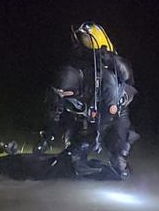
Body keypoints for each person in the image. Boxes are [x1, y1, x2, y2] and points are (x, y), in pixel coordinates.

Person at [36, 21, 138, 177]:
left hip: (112, 116)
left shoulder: (112, 70)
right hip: (86, 119)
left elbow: (127, 83)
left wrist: (110, 61)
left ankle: (119, 160)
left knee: (118, 145)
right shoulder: (75, 73)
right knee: (75, 151)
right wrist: (47, 137)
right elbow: (55, 111)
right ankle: (76, 159)